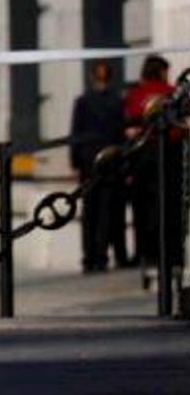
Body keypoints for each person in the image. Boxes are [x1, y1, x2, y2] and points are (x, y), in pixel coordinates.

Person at [124, 55, 179, 284]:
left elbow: (128, 129)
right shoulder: (171, 92)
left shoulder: (134, 95)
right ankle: (173, 256)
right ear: (162, 72)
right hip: (169, 155)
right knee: (171, 207)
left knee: (144, 209)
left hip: (142, 157)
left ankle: (146, 256)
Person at [70, 60, 129, 273]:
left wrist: (75, 161)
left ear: (92, 77)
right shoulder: (117, 102)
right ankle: (101, 256)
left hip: (89, 161)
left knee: (90, 212)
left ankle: (89, 257)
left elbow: (76, 133)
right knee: (106, 211)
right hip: (111, 160)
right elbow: (121, 134)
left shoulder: (83, 102)